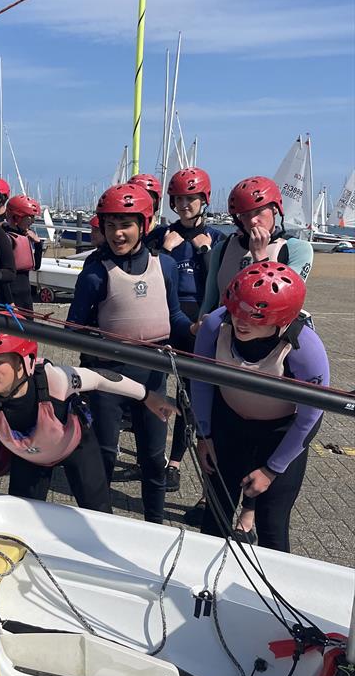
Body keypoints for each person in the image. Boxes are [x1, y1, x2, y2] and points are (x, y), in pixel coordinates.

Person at [0, 327, 175, 511]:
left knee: (98, 514)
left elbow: (103, 379)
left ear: (26, 362)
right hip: (30, 458)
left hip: (77, 449)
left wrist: (147, 395)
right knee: (22, 519)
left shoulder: (56, 379)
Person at [67, 182, 193, 524]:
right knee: (106, 455)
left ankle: (155, 525)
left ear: (145, 224)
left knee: (154, 458)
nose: (117, 233)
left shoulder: (164, 265)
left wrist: (196, 330)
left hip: (153, 375)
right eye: (110, 225)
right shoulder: (95, 271)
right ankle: (103, 525)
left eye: (126, 225)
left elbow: (176, 316)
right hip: (109, 379)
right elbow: (73, 329)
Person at [192, 261, 328, 552]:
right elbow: (201, 382)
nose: (241, 321)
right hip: (227, 426)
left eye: (256, 317)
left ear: (281, 319)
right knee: (214, 517)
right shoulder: (216, 324)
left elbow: (310, 418)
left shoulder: (306, 349)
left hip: (279, 435)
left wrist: (271, 470)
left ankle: (272, 595)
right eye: (238, 309)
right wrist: (205, 436)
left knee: (272, 526)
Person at [147, 168, 224, 491]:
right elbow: (145, 275)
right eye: (178, 198)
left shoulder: (218, 239)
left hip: (199, 322)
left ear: (203, 200)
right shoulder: (162, 236)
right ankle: (151, 456)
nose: (184, 204)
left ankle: (175, 463)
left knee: (188, 397)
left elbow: (219, 283)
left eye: (190, 198)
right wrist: (164, 250)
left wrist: (205, 252)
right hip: (162, 316)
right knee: (152, 387)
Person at [200, 176, 314, 317]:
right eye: (245, 215)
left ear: (275, 209)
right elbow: (210, 300)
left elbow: (287, 298)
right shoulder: (222, 249)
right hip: (227, 331)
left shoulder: (296, 249)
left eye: (258, 211)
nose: (253, 220)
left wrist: (260, 256)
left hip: (270, 334)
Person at [4, 194, 43, 313]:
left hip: (25, 292)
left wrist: (38, 244)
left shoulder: (24, 236)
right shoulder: (5, 237)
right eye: (30, 217)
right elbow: (3, 273)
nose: (33, 221)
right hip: (12, 293)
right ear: (17, 217)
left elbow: (36, 266)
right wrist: (9, 300)